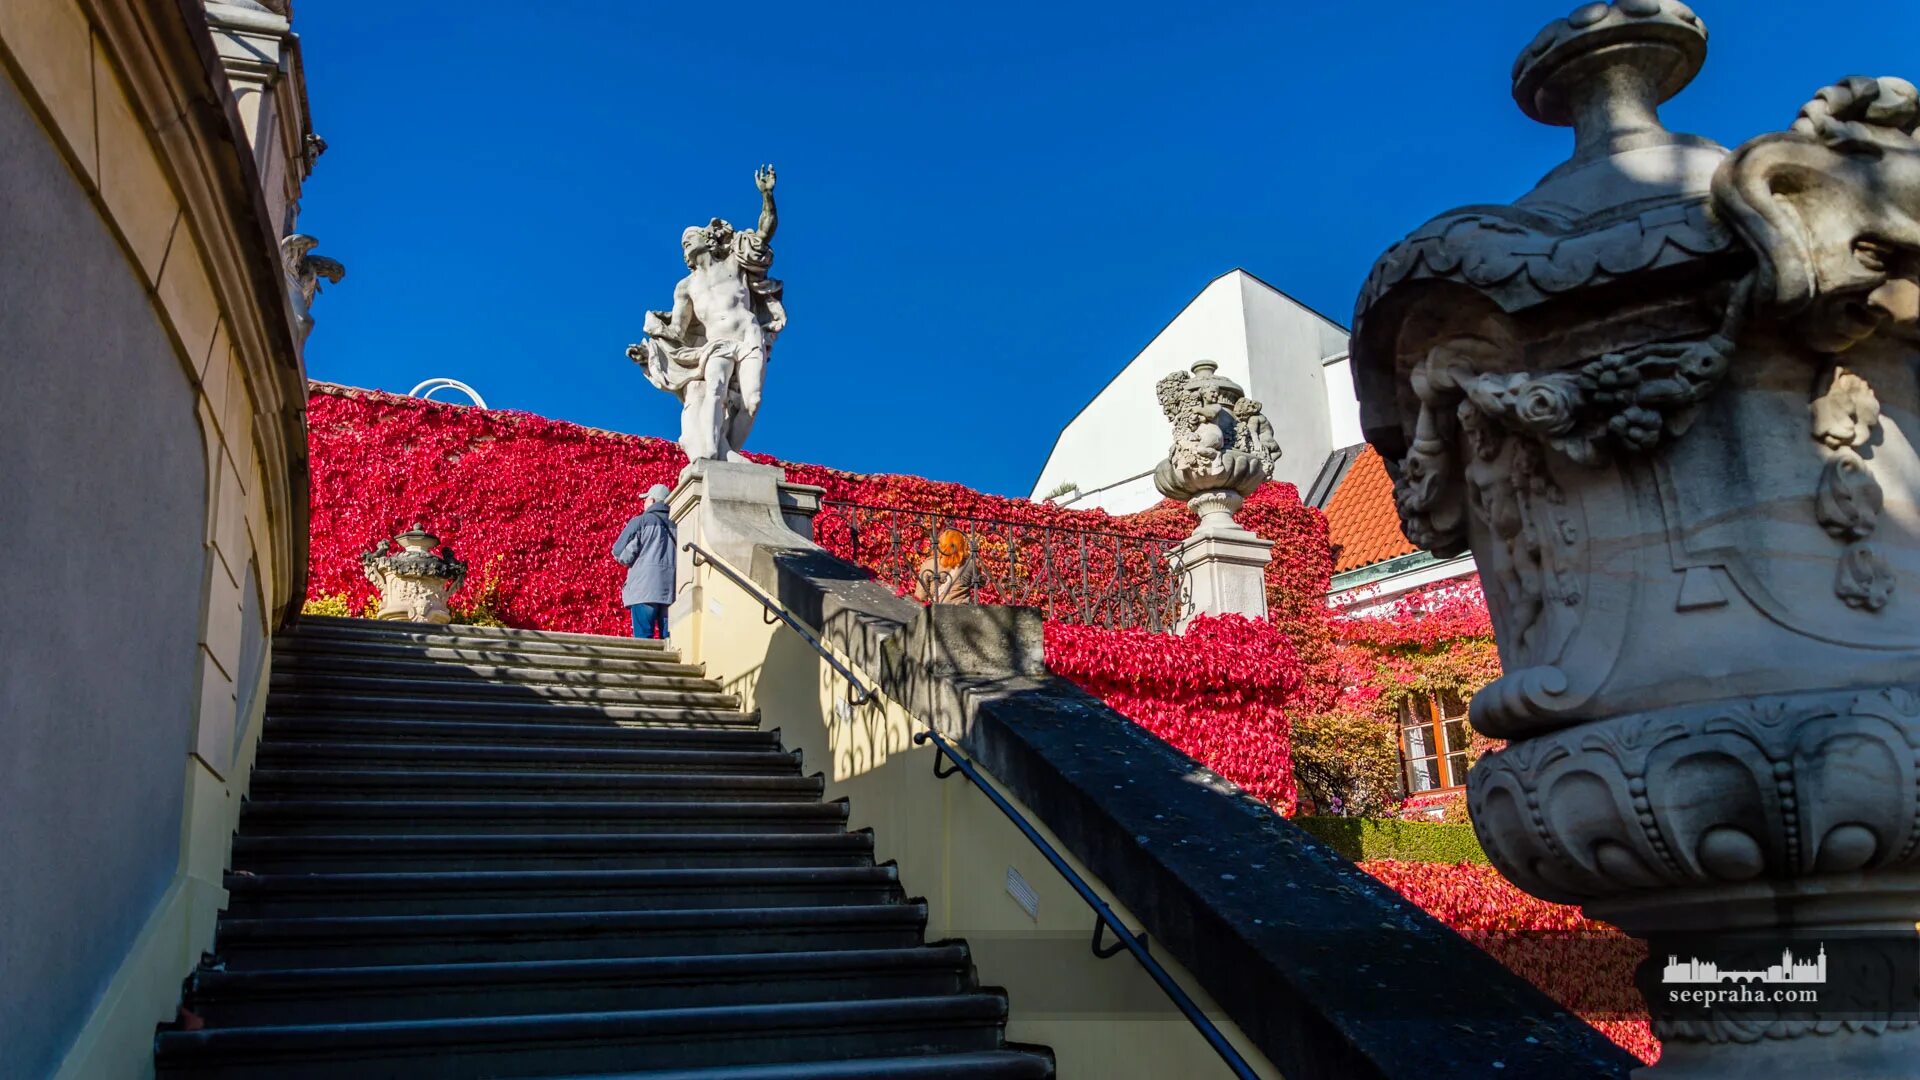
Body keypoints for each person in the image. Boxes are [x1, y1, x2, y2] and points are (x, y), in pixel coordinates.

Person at [612, 484, 678, 639]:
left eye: (646, 499)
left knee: (644, 639)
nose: (643, 503)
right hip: (671, 591)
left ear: (652, 500)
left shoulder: (640, 522)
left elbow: (619, 552)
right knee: (670, 641)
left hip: (644, 589)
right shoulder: (679, 523)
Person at [912, 529, 976, 605]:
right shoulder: (969, 564)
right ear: (961, 545)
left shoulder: (929, 564)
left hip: (939, 612)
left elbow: (920, 596)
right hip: (962, 611)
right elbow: (981, 582)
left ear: (941, 544)